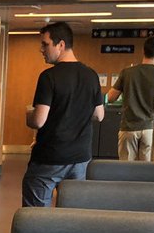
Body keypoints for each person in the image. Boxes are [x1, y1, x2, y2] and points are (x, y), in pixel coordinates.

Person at [22, 21, 104, 207]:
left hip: (50, 158)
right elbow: (99, 115)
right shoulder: (91, 75)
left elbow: (38, 120)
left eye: (45, 44)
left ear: (61, 44)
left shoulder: (48, 77)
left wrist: (29, 114)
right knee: (72, 215)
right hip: (80, 158)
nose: (41, 49)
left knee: (35, 216)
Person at [107, 35, 154, 161]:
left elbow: (110, 97)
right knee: (146, 169)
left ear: (143, 51)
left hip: (129, 127)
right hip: (149, 128)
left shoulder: (127, 72)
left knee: (126, 168)